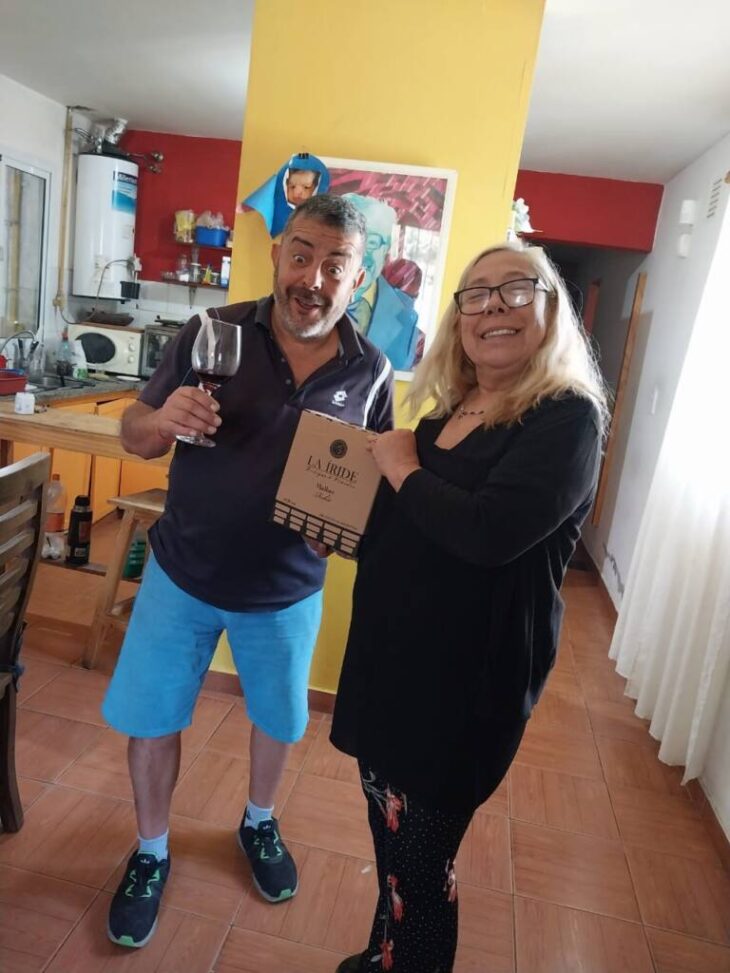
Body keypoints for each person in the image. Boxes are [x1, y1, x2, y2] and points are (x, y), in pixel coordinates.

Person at [102, 194, 394, 949]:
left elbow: (376, 476)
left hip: (287, 592)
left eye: (335, 265)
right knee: (152, 722)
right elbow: (134, 431)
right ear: (276, 254)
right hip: (181, 574)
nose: (313, 279)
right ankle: (151, 850)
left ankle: (259, 821)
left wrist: (347, 528)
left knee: (276, 721)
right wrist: (161, 420)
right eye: (301, 255)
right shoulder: (211, 330)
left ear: (358, 278)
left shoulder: (372, 370)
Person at [330, 240, 607, 973]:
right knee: (392, 844)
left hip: (461, 689)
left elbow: (486, 534)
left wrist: (400, 466)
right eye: (476, 294)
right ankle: (384, 955)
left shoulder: (566, 419)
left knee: (422, 868)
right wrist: (340, 526)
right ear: (459, 319)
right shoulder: (451, 410)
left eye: (516, 290)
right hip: (393, 666)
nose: (493, 307)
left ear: (550, 311)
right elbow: (413, 524)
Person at [343, 193, 420, 372]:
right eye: (353, 241)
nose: (363, 254)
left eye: (373, 242)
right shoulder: (307, 300)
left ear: (386, 248)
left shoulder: (406, 315)